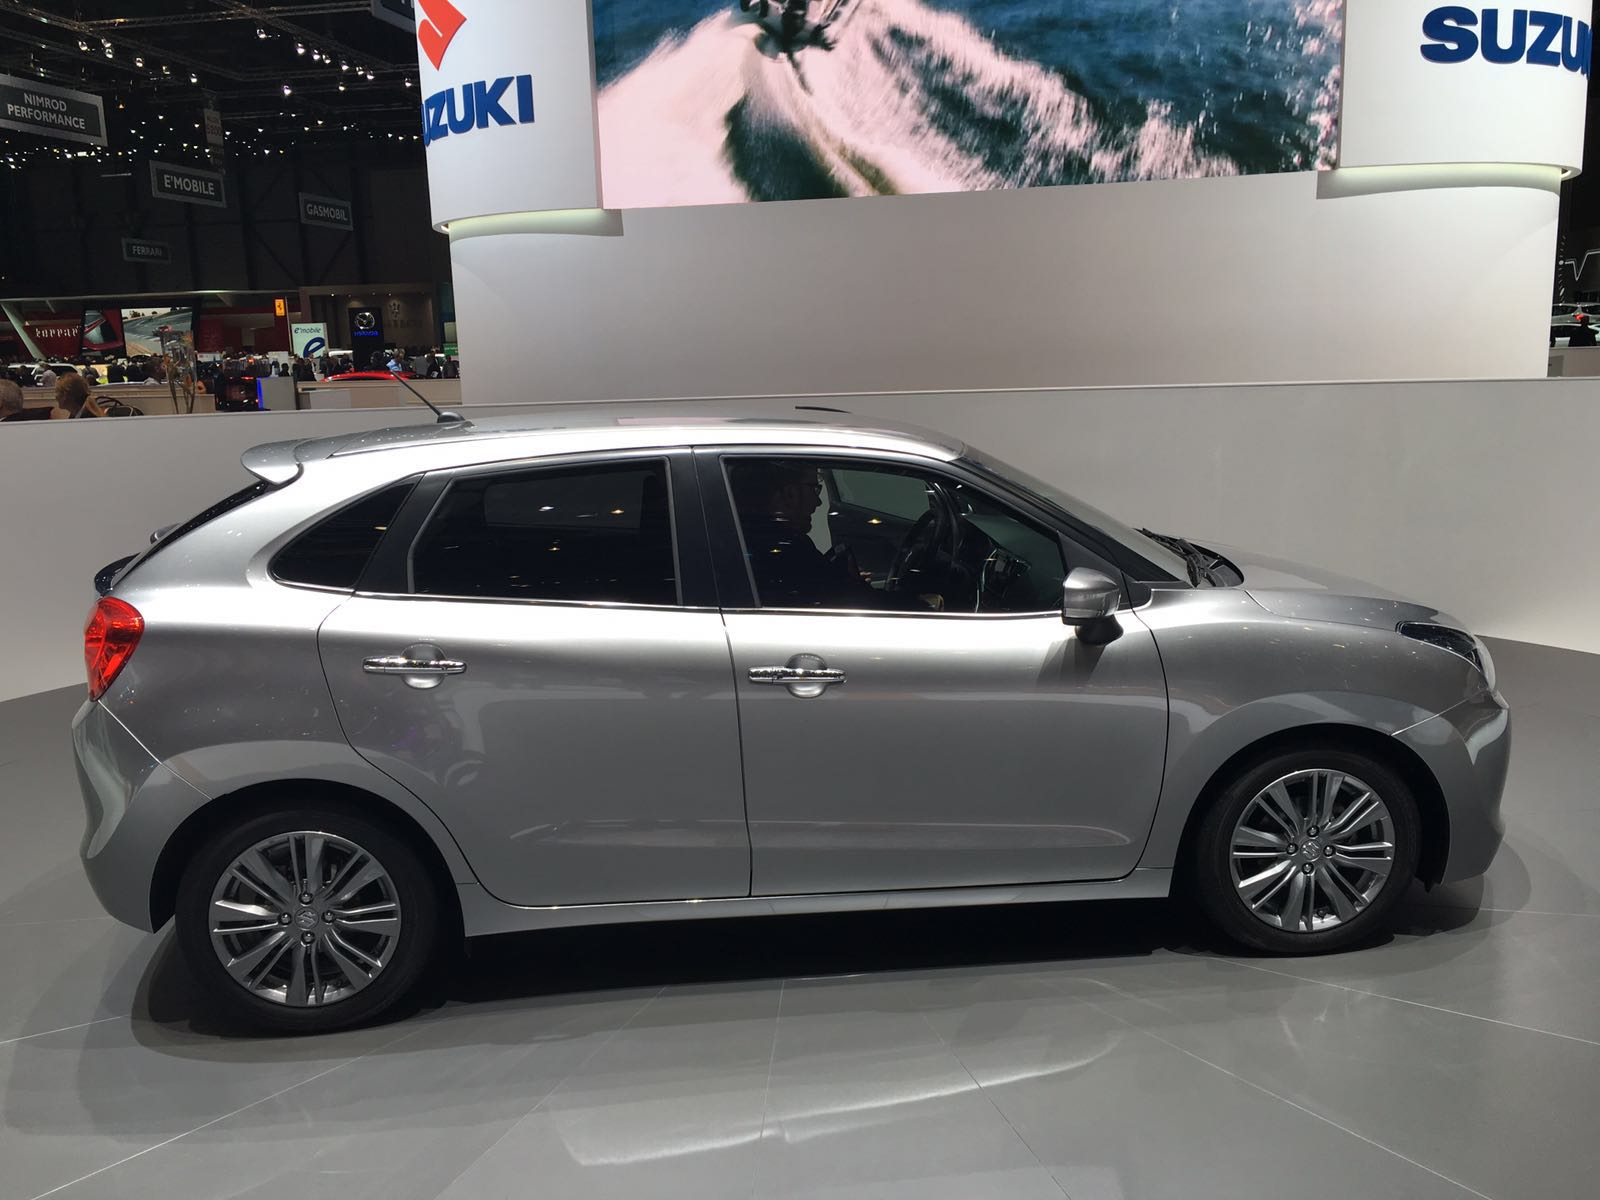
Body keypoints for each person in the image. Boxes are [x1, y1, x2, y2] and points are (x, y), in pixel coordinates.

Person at [727, 460, 901, 609]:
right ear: (790, 494)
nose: (818, 502)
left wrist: (840, 578)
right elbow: (840, 599)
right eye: (814, 489)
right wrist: (853, 586)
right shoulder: (789, 550)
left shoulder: (739, 540)